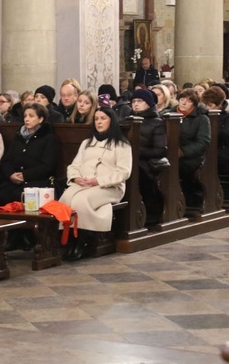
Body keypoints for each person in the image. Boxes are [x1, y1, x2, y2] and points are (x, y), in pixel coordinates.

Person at [60, 107, 132, 261]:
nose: (99, 122)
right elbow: (74, 165)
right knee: (66, 198)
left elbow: (124, 172)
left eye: (103, 118)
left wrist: (98, 181)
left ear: (111, 121)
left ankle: (83, 241)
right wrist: (76, 178)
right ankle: (69, 240)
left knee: (80, 201)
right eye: (97, 119)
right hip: (84, 183)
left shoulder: (121, 145)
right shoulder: (87, 143)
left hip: (109, 187)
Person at [0, 103, 58, 206]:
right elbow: (6, 161)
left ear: (40, 119)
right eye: (25, 116)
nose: (27, 119)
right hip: (14, 181)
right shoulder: (18, 136)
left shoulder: (48, 138)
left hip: (36, 181)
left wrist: (25, 176)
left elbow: (47, 166)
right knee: (1, 195)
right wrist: (11, 174)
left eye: (31, 116)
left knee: (22, 196)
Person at [125, 89, 166, 224]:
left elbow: (160, 150)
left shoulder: (157, 122)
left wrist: (137, 152)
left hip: (147, 163)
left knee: (138, 173)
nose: (136, 104)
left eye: (140, 101)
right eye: (134, 101)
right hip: (128, 160)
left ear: (149, 103)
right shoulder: (127, 120)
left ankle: (149, 213)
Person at [173, 89, 211, 208]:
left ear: (194, 104)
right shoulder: (168, 115)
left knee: (177, 166)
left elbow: (203, 142)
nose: (184, 103)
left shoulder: (202, 119)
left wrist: (183, 151)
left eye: (188, 101)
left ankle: (184, 198)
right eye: (182, 99)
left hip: (192, 157)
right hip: (170, 153)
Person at [201, 86, 229, 168]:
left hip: (223, 148)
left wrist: (207, 132)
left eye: (210, 105)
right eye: (205, 104)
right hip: (206, 147)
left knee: (210, 157)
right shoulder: (203, 113)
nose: (207, 108)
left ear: (220, 104)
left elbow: (227, 133)